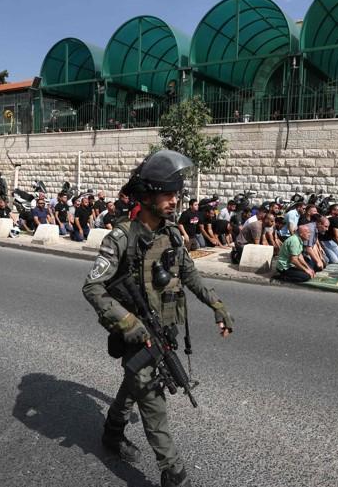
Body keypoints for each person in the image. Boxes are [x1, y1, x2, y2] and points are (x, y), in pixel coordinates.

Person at [81, 150, 233, 487]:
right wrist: (128, 323)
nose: (174, 201)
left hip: (163, 328)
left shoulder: (174, 233)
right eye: (168, 194)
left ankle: (112, 432)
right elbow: (92, 287)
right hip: (134, 331)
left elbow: (191, 275)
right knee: (153, 401)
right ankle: (173, 471)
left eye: (176, 195)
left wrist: (218, 306)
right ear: (147, 196)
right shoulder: (120, 238)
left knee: (135, 381)